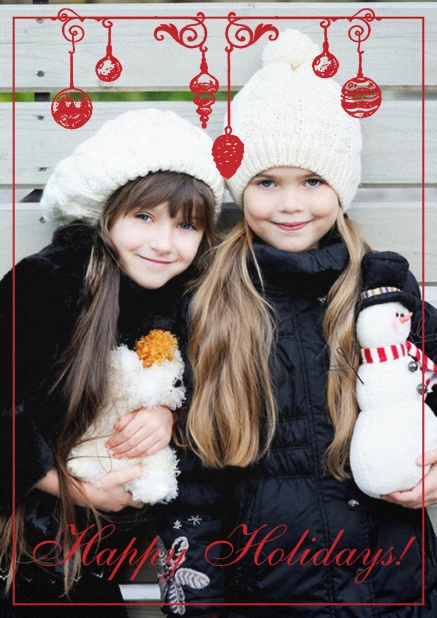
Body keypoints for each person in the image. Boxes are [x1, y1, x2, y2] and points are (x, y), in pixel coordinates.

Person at [157, 30, 437, 616]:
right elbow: (191, 485)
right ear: (241, 186)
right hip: (267, 593)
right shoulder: (207, 302)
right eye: (266, 182)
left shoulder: (382, 292)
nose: (290, 205)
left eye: (312, 181)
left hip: (397, 590)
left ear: (342, 186)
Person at [0, 108, 224, 616]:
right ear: (107, 214)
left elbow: (207, 403)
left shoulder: (189, 304)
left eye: (185, 224)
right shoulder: (46, 284)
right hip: (25, 545)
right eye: (144, 216)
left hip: (100, 559)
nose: (163, 243)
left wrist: (168, 417)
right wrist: (74, 490)